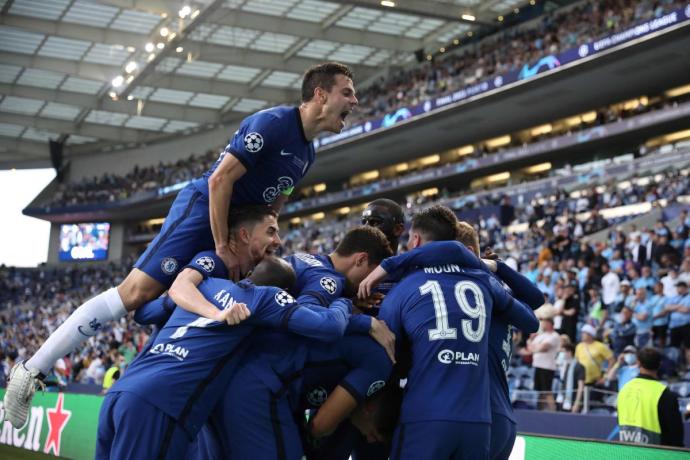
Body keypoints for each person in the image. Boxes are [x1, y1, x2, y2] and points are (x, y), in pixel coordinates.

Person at [4, 62, 359, 428]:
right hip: (203, 212)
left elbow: (275, 204)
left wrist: (263, 236)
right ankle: (31, 371)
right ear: (320, 94)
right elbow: (220, 181)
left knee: (204, 302)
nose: (355, 100)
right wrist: (222, 244)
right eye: (347, 92)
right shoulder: (272, 124)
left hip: (235, 230)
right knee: (135, 293)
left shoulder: (308, 153)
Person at [96, 257, 353, 459]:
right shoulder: (263, 298)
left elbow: (144, 314)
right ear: (284, 290)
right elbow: (329, 327)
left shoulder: (204, 285)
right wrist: (344, 302)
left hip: (122, 391)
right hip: (161, 403)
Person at [374, 206, 536, 460]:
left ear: (416, 240)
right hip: (484, 418)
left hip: (430, 414)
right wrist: (495, 267)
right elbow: (533, 312)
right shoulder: (485, 285)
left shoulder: (408, 285)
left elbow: (387, 355)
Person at [617, 348, 684, 447]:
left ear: (638, 363)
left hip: (628, 451)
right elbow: (675, 433)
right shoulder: (665, 393)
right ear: (659, 365)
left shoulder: (624, 389)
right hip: (656, 453)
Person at [527, 318, 560, 411]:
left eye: (544, 323)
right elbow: (530, 347)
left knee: (547, 390)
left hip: (547, 367)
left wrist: (534, 348)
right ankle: (539, 411)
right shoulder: (541, 336)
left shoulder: (554, 336)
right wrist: (532, 343)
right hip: (538, 365)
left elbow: (543, 348)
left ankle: (553, 411)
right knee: (540, 391)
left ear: (550, 324)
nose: (542, 324)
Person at [575, 324, 614, 400]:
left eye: (584, 333)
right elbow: (577, 361)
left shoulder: (600, 346)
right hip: (580, 381)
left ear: (590, 335)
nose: (582, 335)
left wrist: (605, 377)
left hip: (594, 382)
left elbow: (612, 360)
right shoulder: (579, 346)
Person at [555, 343, 585, 413]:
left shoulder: (579, 366)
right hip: (564, 400)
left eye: (563, 352)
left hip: (573, 401)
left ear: (569, 352)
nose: (561, 354)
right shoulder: (566, 365)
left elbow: (581, 387)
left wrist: (576, 404)